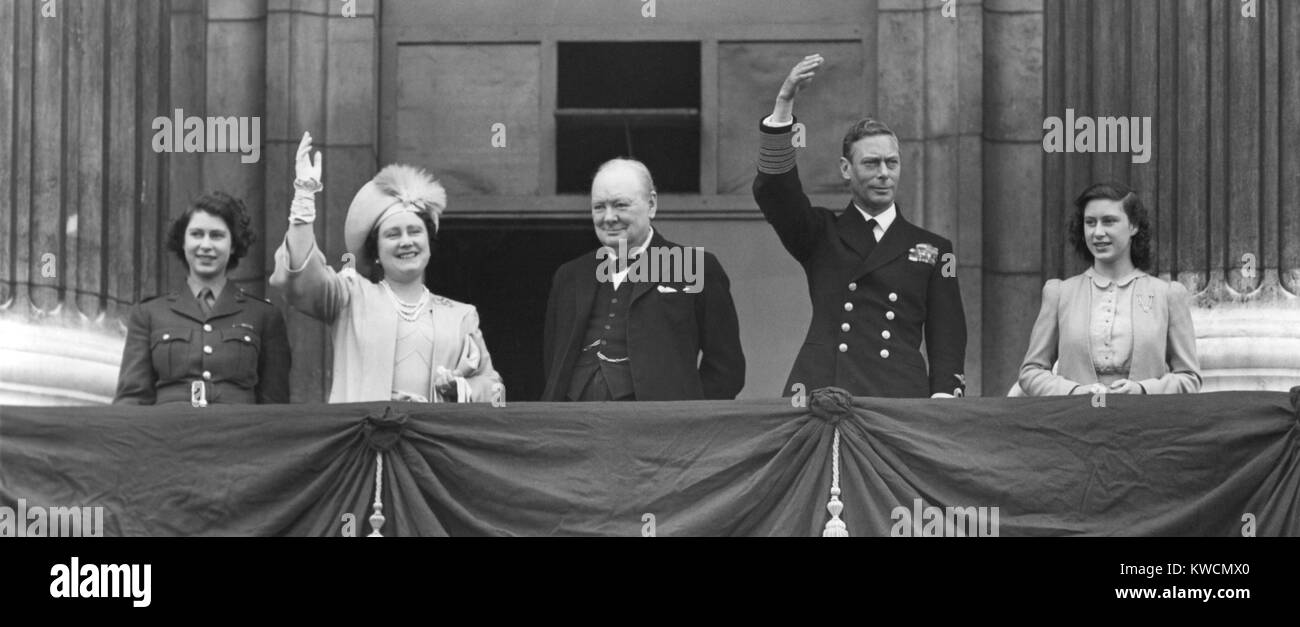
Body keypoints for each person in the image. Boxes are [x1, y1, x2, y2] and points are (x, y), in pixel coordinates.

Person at [752, 54, 968, 398]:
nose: (884, 173)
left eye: (891, 163)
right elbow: (776, 193)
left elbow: (948, 334)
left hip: (898, 396)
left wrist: (943, 396)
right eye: (871, 163)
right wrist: (783, 106)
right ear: (845, 169)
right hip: (824, 390)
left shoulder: (937, 250)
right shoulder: (820, 234)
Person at [270, 132, 503, 403]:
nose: (406, 242)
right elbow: (299, 280)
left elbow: (495, 392)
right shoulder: (351, 297)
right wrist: (304, 197)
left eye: (414, 231)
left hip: (432, 432)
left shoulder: (462, 316)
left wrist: (460, 389)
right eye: (393, 234)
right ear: (376, 253)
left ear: (429, 243)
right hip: (365, 430)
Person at [542, 158, 745, 401]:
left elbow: (726, 369)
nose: (608, 217)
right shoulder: (569, 275)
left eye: (620, 205)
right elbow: (553, 361)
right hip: (574, 420)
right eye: (599, 207)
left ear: (651, 204)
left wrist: (687, 416)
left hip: (658, 423)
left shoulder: (696, 267)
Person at [1018, 182, 1201, 396]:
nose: (1097, 232)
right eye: (1090, 222)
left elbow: (1189, 377)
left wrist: (1143, 390)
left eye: (1109, 221)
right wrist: (1074, 392)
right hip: (1076, 416)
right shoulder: (1060, 293)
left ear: (1133, 226)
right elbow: (1031, 372)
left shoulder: (1167, 295)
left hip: (1145, 416)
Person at [115, 192, 291, 405]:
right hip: (170, 426)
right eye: (197, 234)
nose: (206, 245)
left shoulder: (263, 316)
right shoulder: (149, 314)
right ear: (183, 242)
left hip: (238, 426)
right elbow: (132, 400)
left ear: (233, 245)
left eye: (216, 236)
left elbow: (274, 406)